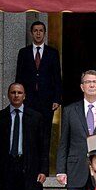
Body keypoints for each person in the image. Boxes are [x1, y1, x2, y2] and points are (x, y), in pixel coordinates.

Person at [14, 20, 62, 159]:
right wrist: (18, 97)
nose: (38, 33)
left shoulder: (52, 53)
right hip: (28, 100)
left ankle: (44, 166)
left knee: (45, 132)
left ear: (45, 33)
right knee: (28, 131)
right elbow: (19, 76)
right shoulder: (23, 53)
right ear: (31, 33)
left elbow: (57, 78)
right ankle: (29, 163)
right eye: (36, 31)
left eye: (41, 31)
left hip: (47, 100)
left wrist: (56, 99)